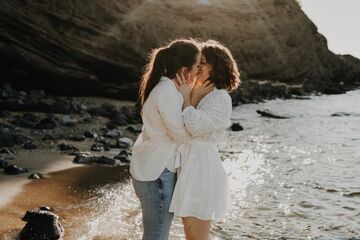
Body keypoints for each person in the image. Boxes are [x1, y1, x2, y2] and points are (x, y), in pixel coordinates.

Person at [130, 39, 214, 240]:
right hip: (157, 174)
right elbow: (183, 136)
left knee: (153, 233)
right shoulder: (167, 92)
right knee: (157, 235)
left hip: (150, 168)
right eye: (196, 66)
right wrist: (191, 104)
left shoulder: (162, 86)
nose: (197, 71)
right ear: (185, 69)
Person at [169, 40, 240, 240]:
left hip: (202, 169)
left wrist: (188, 101)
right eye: (198, 61)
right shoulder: (197, 93)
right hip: (190, 165)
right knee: (190, 232)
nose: (198, 66)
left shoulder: (220, 97)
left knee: (196, 235)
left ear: (217, 67)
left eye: (204, 62)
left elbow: (196, 127)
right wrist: (190, 98)